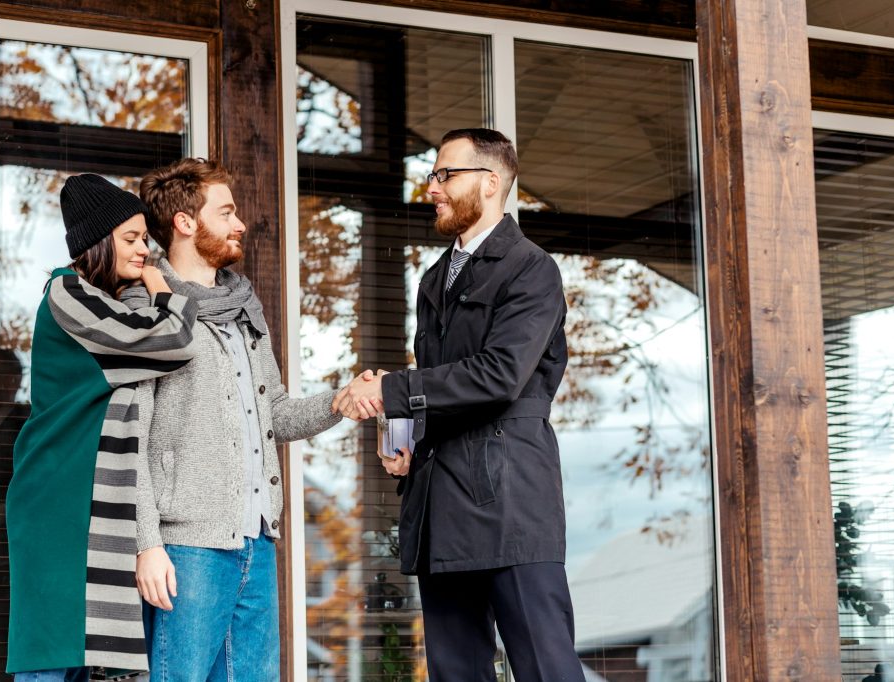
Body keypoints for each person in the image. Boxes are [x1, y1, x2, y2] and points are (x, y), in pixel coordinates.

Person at [339, 129, 587, 681]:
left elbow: (500, 376)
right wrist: (402, 439)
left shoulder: (531, 268)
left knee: (546, 669)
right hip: (440, 506)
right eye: (433, 175)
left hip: (511, 504)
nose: (433, 187)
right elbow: (435, 380)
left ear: (491, 182)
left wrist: (390, 391)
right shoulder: (434, 278)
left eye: (445, 174)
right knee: (456, 674)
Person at [127, 158, 376, 682]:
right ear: (185, 223)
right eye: (227, 212)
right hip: (187, 546)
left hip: (257, 540)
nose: (240, 224)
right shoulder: (145, 304)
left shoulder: (243, 309)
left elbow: (276, 414)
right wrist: (147, 543)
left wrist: (339, 400)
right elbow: (131, 437)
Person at [6, 174, 200, 681]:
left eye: (146, 241)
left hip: (91, 500)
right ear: (97, 241)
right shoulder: (66, 294)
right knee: (52, 657)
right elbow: (174, 340)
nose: (145, 252)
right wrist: (161, 285)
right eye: (131, 240)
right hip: (58, 500)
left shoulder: (101, 302)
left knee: (89, 656)